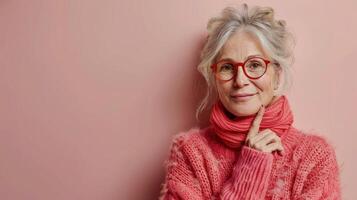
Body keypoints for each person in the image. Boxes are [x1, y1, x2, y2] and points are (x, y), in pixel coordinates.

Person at [159, 3, 341, 200]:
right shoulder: (190, 152)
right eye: (227, 67)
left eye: (255, 65)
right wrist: (250, 171)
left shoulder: (314, 157)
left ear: (277, 74)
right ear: (215, 77)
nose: (240, 81)